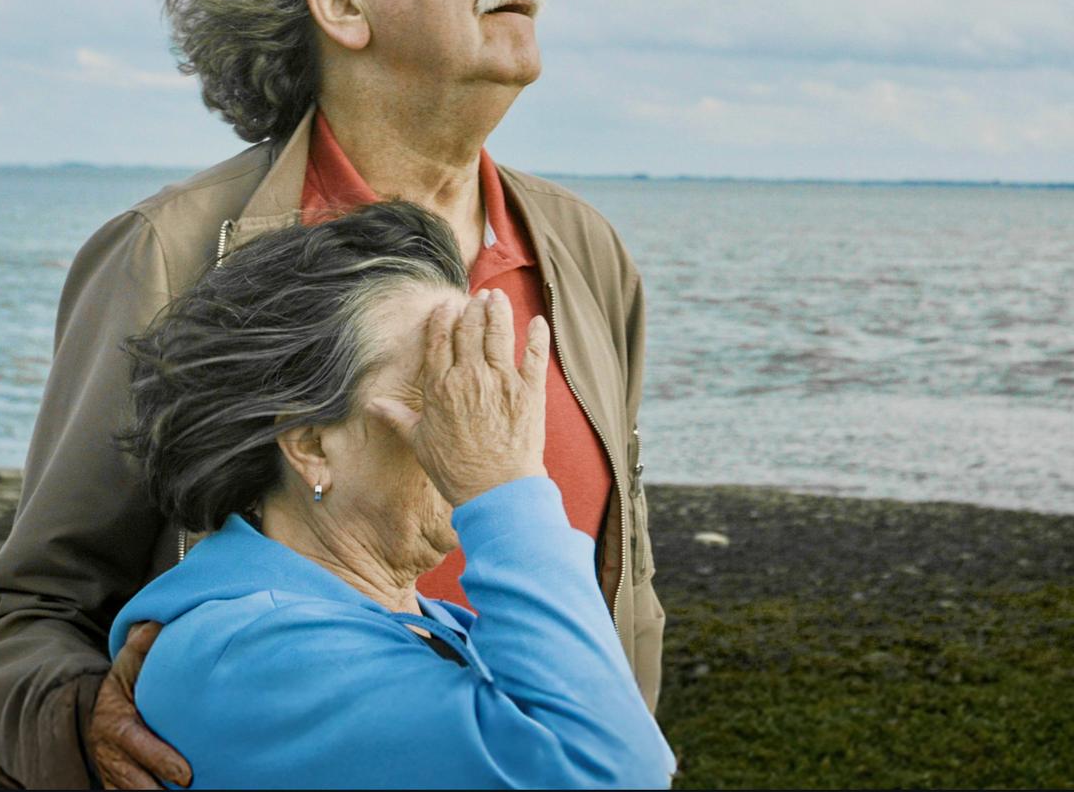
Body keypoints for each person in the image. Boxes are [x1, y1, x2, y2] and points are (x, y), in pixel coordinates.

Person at [0, 0, 664, 789]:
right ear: (340, 1)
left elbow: (615, 581)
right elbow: (28, 603)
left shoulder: (584, 250)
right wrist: (78, 723)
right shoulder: (171, 251)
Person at [110, 200, 674, 789]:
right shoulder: (257, 654)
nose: (488, 420)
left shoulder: (427, 625)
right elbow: (615, 771)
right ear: (310, 444)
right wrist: (505, 485)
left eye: (480, 382)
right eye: (444, 389)